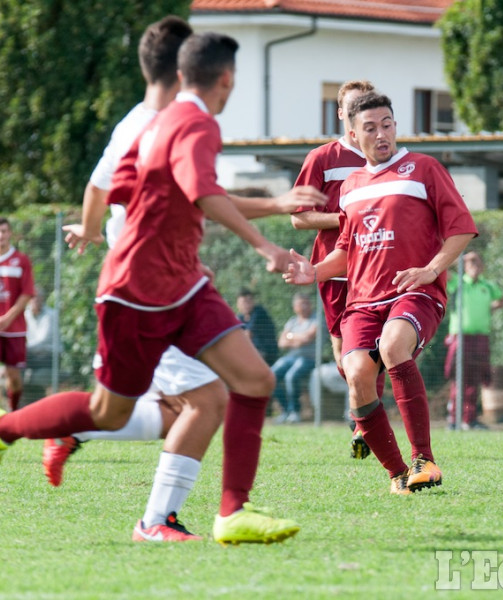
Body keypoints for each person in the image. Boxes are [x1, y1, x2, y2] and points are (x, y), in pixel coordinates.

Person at [0, 31, 302, 545]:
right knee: (108, 411)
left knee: (253, 381)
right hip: (137, 291)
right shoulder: (196, 125)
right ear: (227, 79)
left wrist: (94, 228)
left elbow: (110, 186)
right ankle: (8, 432)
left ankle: (231, 512)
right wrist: (265, 246)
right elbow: (204, 193)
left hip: (183, 284)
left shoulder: (156, 124)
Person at [284, 91, 478, 495]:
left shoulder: (423, 168)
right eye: (370, 128)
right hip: (363, 300)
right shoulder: (351, 185)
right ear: (353, 134)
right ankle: (398, 474)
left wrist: (431, 270)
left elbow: (461, 228)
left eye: (387, 124)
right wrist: (313, 272)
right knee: (357, 376)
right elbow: (345, 250)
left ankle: (425, 458)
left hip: (414, 291)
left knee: (393, 347)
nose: (381, 133)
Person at [290, 79, 379, 457]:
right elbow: (300, 218)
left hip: (375, 267)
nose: (360, 114)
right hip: (333, 269)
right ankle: (362, 408)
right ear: (342, 114)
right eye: (353, 107)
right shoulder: (322, 158)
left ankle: (364, 424)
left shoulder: (386, 158)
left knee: (378, 349)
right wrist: (346, 219)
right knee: (345, 355)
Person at [444, 251, 503, 430]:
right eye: (470, 263)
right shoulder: (458, 282)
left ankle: (469, 419)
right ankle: (454, 419)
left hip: (480, 338)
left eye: (477, 263)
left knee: (475, 379)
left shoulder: (487, 285)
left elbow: (501, 299)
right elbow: (441, 270)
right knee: (457, 378)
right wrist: (458, 259)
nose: (474, 266)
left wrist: (489, 308)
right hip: (460, 337)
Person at [0, 218, 35, 412]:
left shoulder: (21, 260)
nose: (0, 236)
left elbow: (27, 292)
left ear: (10, 233)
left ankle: (13, 413)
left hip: (14, 329)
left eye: (4, 231)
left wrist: (7, 318)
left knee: (13, 376)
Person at [271, 292, 317, 424]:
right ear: (294, 307)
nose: (304, 306)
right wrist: (298, 338)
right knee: (271, 375)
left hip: (309, 359)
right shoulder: (292, 321)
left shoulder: (316, 319)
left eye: (306, 303)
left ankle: (295, 412)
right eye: (300, 303)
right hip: (290, 357)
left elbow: (307, 338)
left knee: (291, 376)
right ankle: (286, 411)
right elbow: (281, 342)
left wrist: (290, 336)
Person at [23, 287, 56, 405]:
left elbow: (43, 340)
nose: (36, 300)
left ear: (43, 299)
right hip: (31, 356)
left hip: (48, 356)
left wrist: (24, 349)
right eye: (33, 297)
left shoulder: (51, 315)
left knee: (22, 357)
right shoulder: (25, 315)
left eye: (38, 297)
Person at [236, 288, 278, 365]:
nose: (247, 305)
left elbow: (247, 335)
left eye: (249, 301)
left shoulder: (259, 312)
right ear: (238, 304)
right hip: (252, 352)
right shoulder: (240, 317)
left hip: (266, 352)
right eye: (244, 302)